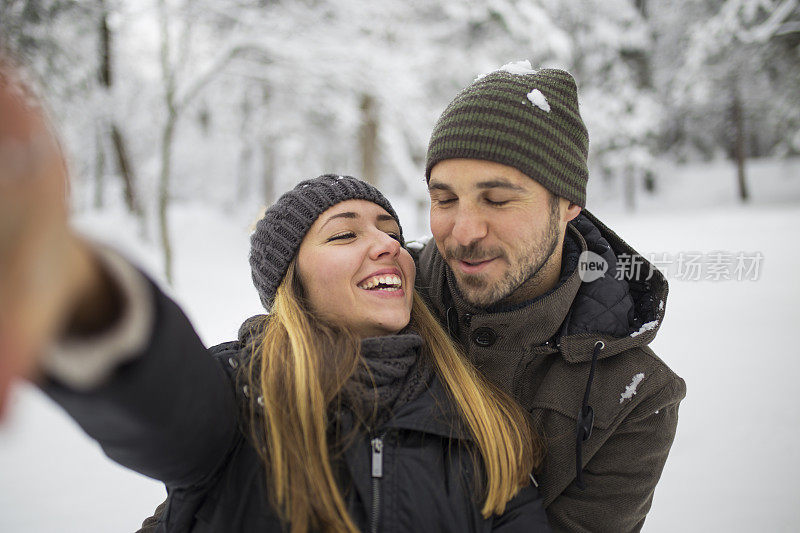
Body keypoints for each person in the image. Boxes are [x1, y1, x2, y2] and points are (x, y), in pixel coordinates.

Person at [0, 61, 551, 532]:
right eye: (344, 234)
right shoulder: (240, 400)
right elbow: (162, 400)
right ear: (294, 284)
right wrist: (79, 290)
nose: (387, 244)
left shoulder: (480, 423)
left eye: (391, 230)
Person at [412, 62, 687, 532]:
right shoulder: (389, 295)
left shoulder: (636, 396)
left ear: (568, 204)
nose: (464, 231)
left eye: (497, 200)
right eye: (445, 199)